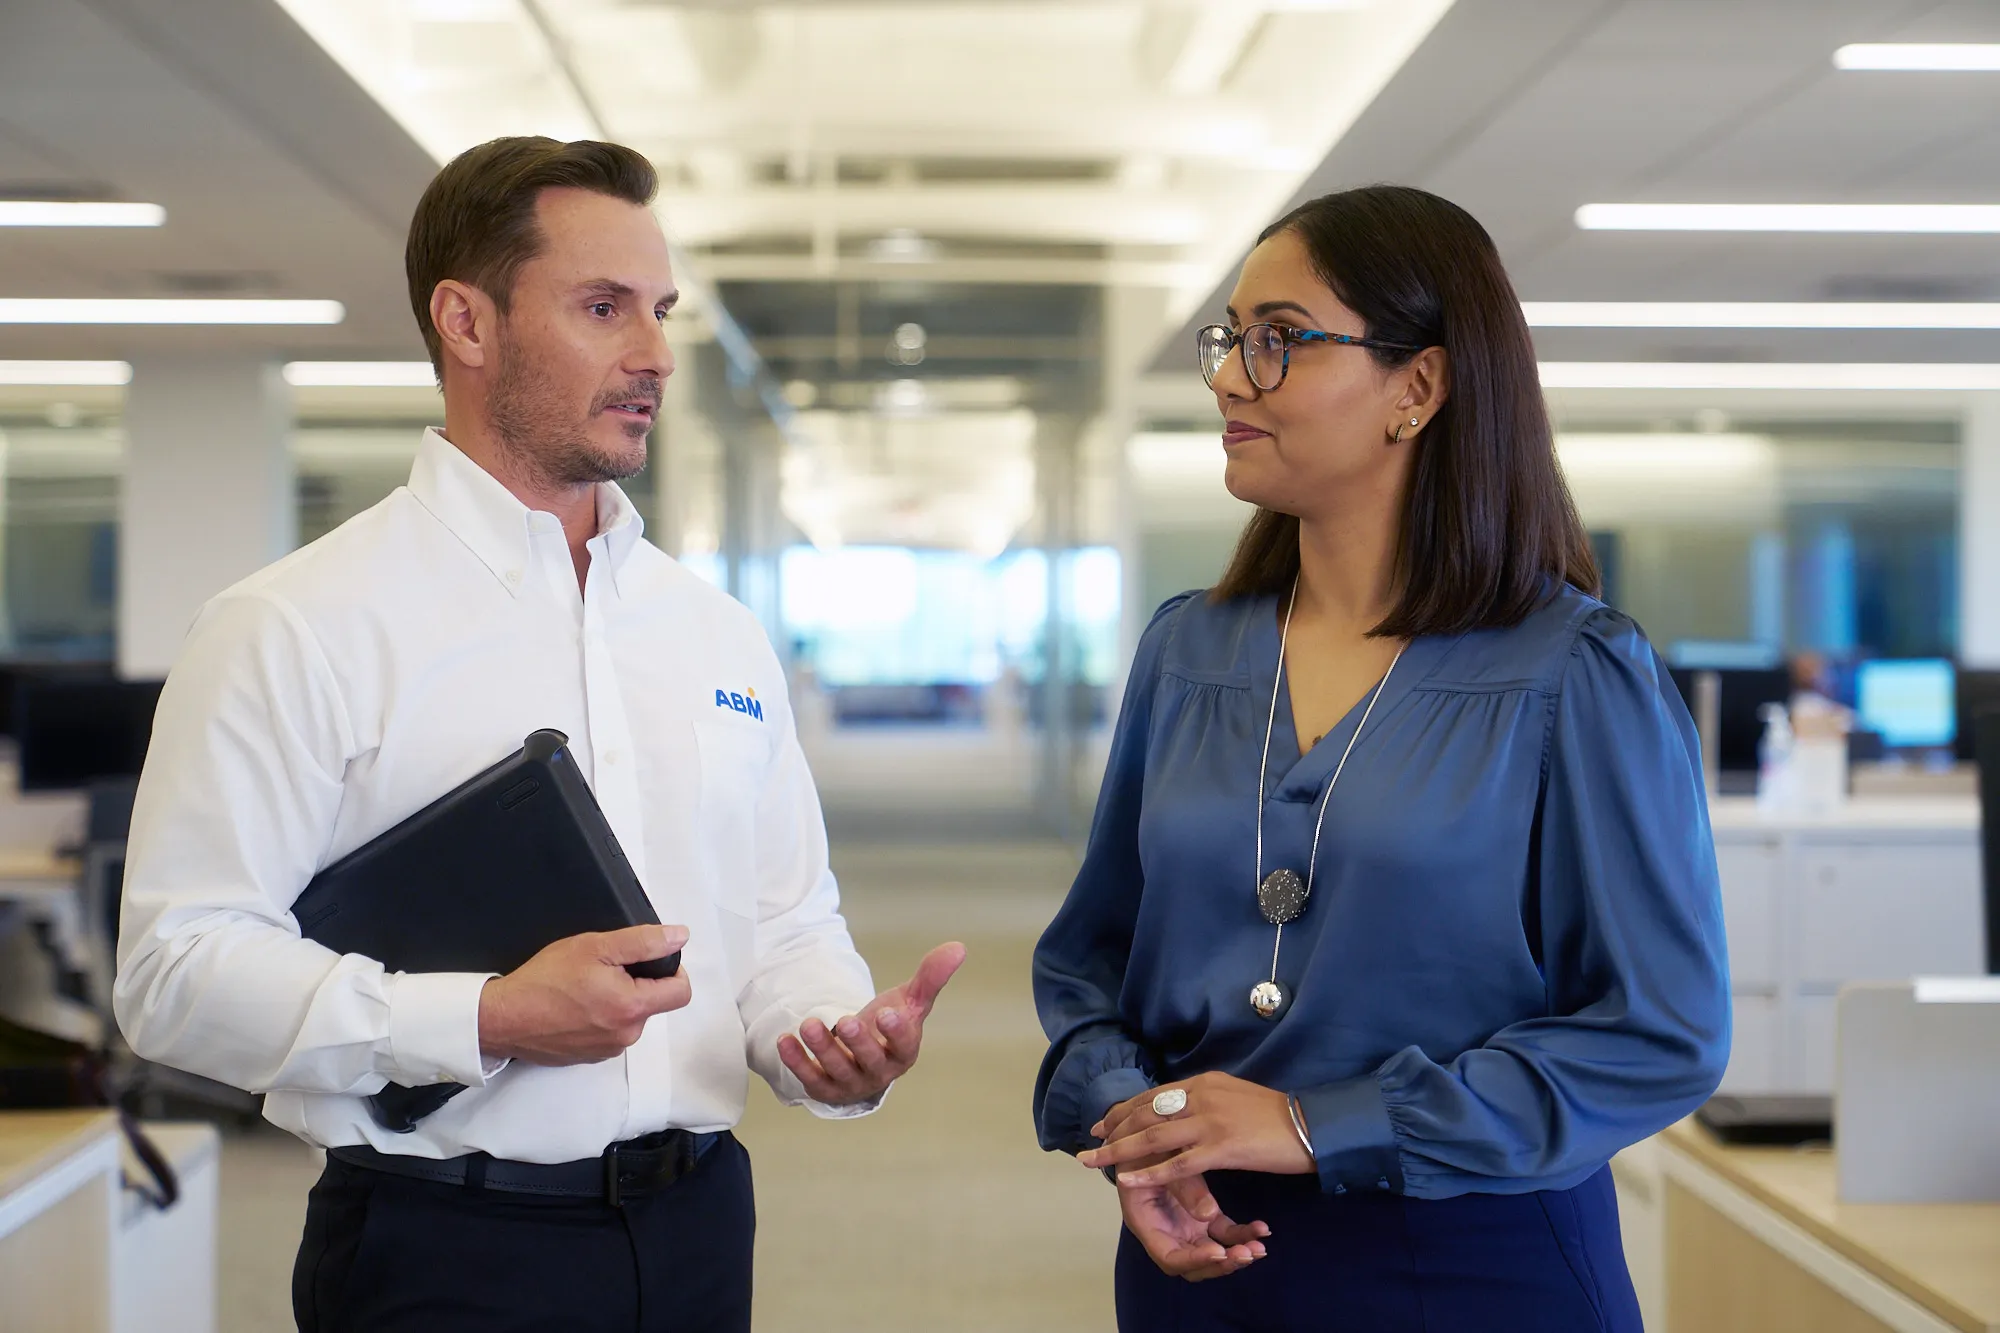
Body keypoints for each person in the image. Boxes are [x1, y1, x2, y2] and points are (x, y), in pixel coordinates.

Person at [113, 136, 964, 1333]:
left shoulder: (712, 631)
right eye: (603, 307)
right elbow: (174, 973)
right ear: (466, 321)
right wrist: (481, 1017)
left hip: (700, 1224)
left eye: (660, 311)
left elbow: (781, 919)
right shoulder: (292, 625)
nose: (655, 355)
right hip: (442, 1246)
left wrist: (819, 1033)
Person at [1032, 185, 1728, 1330]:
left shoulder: (1571, 671)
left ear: (1419, 387)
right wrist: (1139, 1128)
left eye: (1278, 341)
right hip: (1200, 1251)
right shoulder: (1186, 650)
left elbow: (1656, 1032)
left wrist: (1314, 1124)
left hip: (1464, 1256)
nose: (1225, 379)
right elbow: (1088, 964)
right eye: (1230, 339)